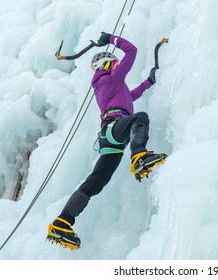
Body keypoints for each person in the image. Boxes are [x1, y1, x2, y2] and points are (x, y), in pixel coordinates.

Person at [47, 32, 167, 250]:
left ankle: (62, 222)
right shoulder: (110, 79)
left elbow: (132, 95)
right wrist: (111, 38)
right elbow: (132, 50)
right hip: (114, 128)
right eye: (114, 62)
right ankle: (139, 155)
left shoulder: (110, 86)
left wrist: (149, 81)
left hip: (110, 138)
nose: (117, 64)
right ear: (108, 64)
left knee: (95, 182)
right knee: (140, 118)